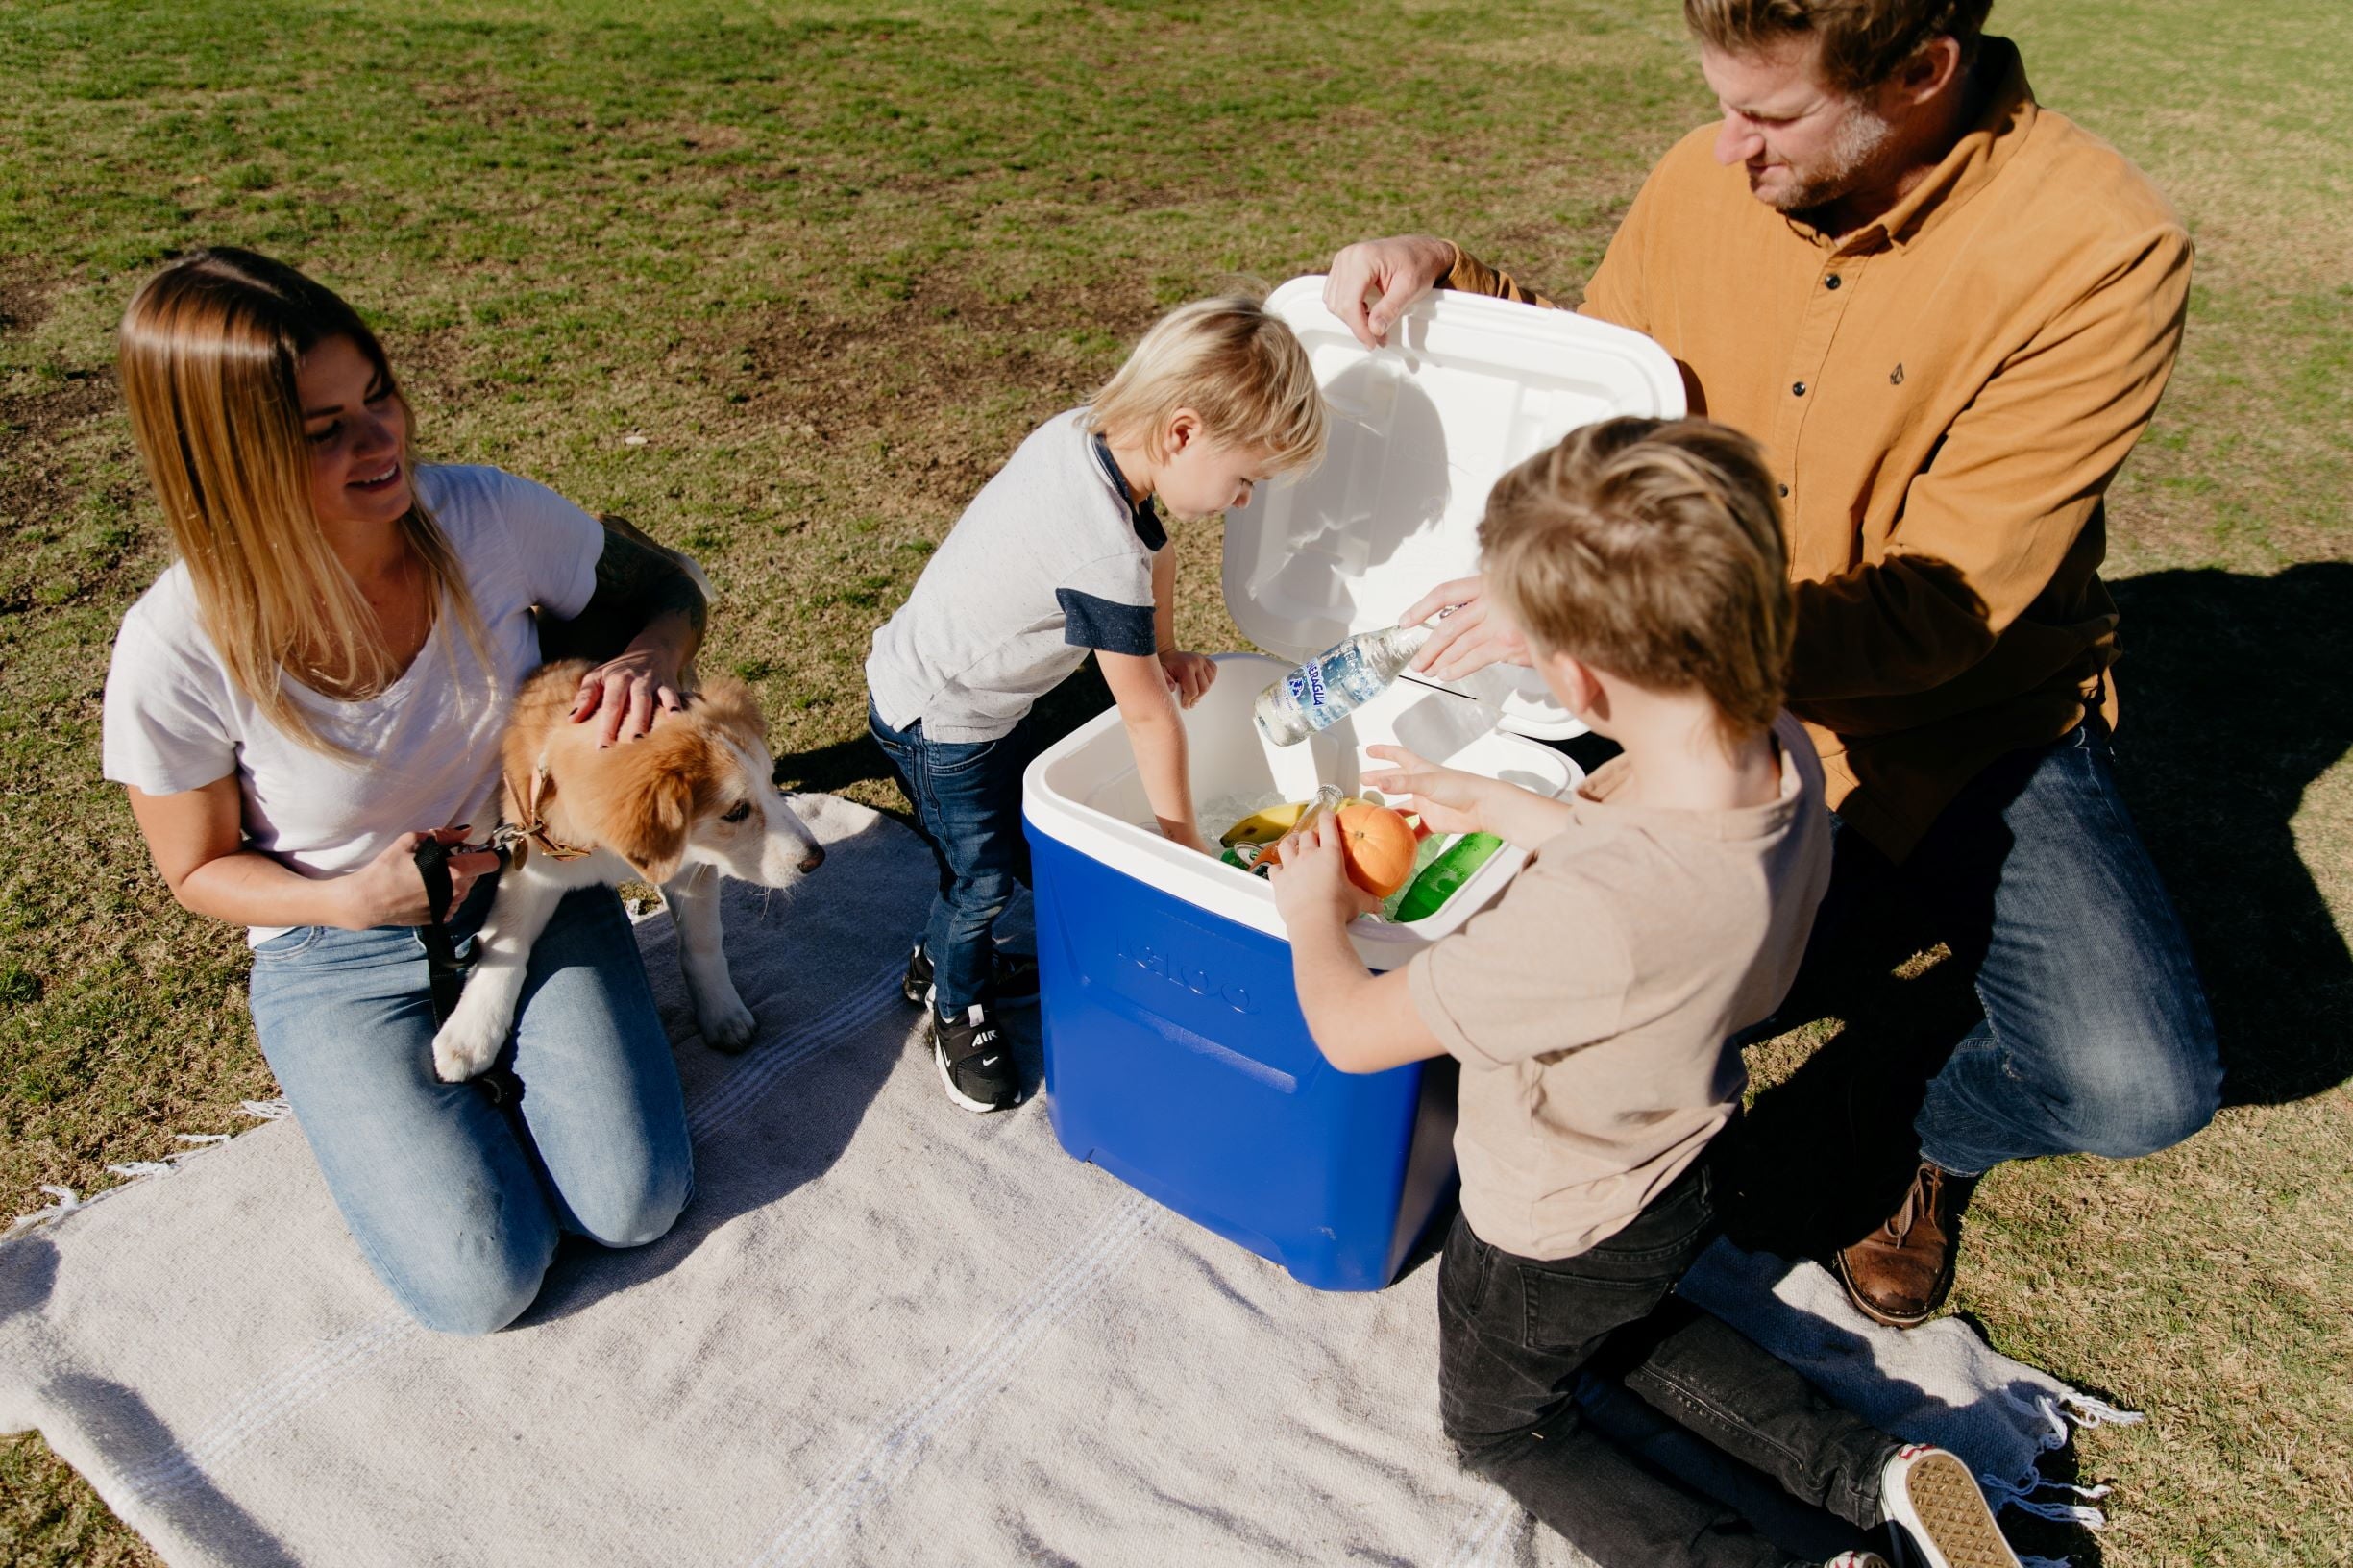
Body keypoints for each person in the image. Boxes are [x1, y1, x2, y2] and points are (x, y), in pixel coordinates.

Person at [1320, 0, 2220, 1327]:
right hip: (1707, 737)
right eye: (1720, 101)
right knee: (1542, 1017)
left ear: (1922, 71)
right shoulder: (1708, 174)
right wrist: (1449, 284)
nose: (1724, 147)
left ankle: (1918, 1112)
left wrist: (1617, 632)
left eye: (1772, 114)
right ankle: (1862, 942)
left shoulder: (2099, 251)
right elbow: (1614, 399)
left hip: (1972, 730)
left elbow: (1936, 619)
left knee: (2134, 1091)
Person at [1269, 418, 2021, 1568]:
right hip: (1670, 1166)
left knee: (1505, 1418)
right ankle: (1875, 1475)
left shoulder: (1596, 918)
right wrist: (1509, 806)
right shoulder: (1778, 748)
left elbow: (1354, 1031)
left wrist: (1311, 913)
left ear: (1570, 677)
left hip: (1548, 1210)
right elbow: (1647, 852)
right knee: (1609, 1330)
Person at [102, 248, 706, 1335]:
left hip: (528, 884)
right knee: (484, 1280)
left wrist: (655, 654)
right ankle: (393, 1098)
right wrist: (346, 902)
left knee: (636, 1204)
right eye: (321, 430)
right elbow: (194, 869)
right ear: (222, 462)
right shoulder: (175, 645)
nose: (380, 442)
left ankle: (497, 1088)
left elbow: (663, 584)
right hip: (335, 944)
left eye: (377, 395)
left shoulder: (485, 517)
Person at [867, 295, 1327, 1114]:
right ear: (1183, 432)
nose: (1244, 501)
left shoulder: (1086, 437)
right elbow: (1148, 716)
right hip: (939, 720)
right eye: (1245, 479)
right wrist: (1180, 844)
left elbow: (1157, 553)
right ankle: (950, 1001)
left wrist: (1169, 645)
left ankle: (943, 957)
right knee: (980, 881)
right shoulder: (1098, 546)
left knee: (994, 861)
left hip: (959, 691)